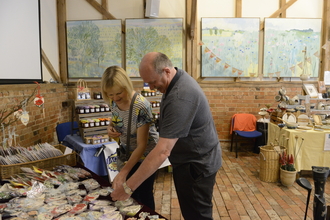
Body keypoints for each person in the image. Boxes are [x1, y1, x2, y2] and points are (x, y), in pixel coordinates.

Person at [111, 52, 222, 220]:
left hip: (196, 164)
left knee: (197, 215)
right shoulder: (177, 78)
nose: (151, 87)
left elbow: (163, 151)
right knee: (192, 211)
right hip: (190, 159)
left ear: (166, 71)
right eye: (148, 83)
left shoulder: (180, 96)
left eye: (153, 82)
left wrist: (128, 188)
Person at [101, 65, 159, 210]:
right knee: (129, 197)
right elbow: (115, 118)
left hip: (145, 156)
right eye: (110, 95)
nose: (115, 98)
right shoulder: (114, 101)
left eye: (118, 93)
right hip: (127, 153)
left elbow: (142, 145)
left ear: (126, 86)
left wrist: (123, 172)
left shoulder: (140, 106)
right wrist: (110, 128)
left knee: (142, 196)